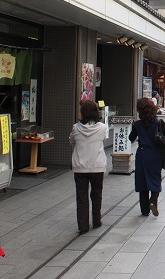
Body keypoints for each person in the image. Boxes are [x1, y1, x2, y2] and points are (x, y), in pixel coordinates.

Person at [69, 100, 108, 235]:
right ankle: (97, 220)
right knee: (97, 194)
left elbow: (71, 141)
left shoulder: (75, 128)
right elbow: (104, 138)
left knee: (82, 196)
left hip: (80, 167)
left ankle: (83, 225)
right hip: (97, 166)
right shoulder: (102, 128)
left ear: (84, 113)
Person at [129, 98, 165, 217]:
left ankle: (144, 210)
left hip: (142, 154)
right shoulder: (159, 122)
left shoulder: (137, 124)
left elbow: (131, 138)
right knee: (155, 179)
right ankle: (153, 201)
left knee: (142, 181)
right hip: (155, 155)